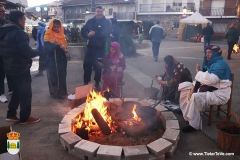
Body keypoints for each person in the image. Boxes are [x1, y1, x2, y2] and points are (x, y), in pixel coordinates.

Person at [178, 45, 232, 132]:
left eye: (210, 52)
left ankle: (194, 124)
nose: (207, 54)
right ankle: (185, 110)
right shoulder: (210, 63)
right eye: (206, 52)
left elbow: (210, 80)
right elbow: (202, 79)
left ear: (215, 54)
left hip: (219, 93)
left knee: (195, 96)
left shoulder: (220, 65)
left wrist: (198, 72)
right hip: (210, 88)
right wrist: (193, 87)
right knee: (184, 86)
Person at [0, 11, 40, 124]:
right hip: (20, 68)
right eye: (24, 20)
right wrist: (39, 51)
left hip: (8, 68)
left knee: (17, 91)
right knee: (26, 93)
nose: (25, 22)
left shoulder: (3, 31)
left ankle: (11, 114)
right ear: (19, 20)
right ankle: (25, 117)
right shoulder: (19, 33)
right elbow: (27, 52)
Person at [81, 6, 110, 90]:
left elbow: (107, 33)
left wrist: (95, 33)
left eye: (101, 11)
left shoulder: (106, 22)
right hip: (90, 48)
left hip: (100, 49)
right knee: (87, 65)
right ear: (95, 12)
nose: (99, 13)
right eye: (98, 11)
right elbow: (83, 30)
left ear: (103, 12)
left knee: (98, 67)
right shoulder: (90, 21)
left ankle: (97, 82)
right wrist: (87, 35)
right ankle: (86, 82)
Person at [44, 19, 68, 99]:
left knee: (62, 75)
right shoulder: (48, 34)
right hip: (52, 60)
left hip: (61, 60)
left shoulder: (62, 35)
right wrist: (59, 46)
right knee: (53, 76)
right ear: (51, 26)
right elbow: (48, 47)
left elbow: (65, 47)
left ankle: (63, 92)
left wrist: (64, 49)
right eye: (54, 26)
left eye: (58, 27)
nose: (56, 28)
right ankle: (55, 93)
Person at [0, 4, 13, 103]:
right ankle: (1, 94)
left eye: (4, 11)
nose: (4, 13)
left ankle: (11, 89)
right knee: (1, 74)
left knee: (9, 71)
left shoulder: (5, 23)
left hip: (7, 52)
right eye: (1, 11)